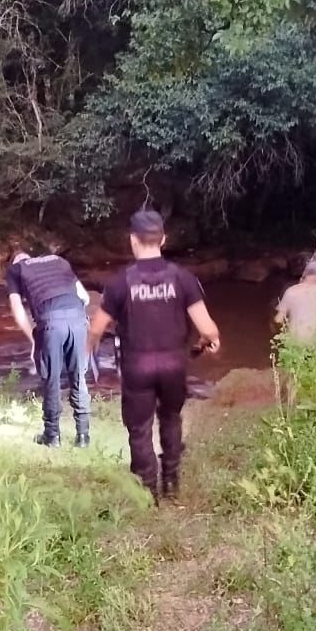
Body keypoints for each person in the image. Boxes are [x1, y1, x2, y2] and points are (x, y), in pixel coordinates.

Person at [87, 210, 220, 501]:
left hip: (137, 367)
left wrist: (89, 349)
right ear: (163, 239)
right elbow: (208, 329)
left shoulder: (121, 282)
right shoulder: (183, 278)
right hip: (174, 365)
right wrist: (209, 341)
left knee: (139, 428)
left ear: (132, 240)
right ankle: (171, 481)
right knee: (171, 417)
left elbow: (97, 327)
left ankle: (147, 491)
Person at [6, 251, 92, 447]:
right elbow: (85, 298)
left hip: (51, 323)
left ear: (15, 260)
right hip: (78, 320)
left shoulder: (15, 270)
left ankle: (52, 436)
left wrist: (33, 338)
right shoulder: (60, 261)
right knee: (78, 376)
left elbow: (17, 309)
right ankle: (83, 437)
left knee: (51, 379)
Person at [274, 259, 316, 345]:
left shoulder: (291, 291)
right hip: (315, 343)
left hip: (294, 341)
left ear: (305, 273)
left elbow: (278, 319)